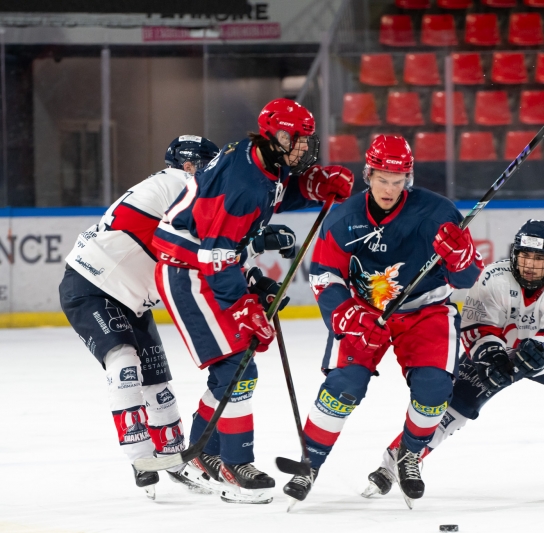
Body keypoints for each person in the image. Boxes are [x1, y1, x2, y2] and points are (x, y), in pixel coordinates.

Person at [151, 99, 354, 504]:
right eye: (296, 140)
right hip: (190, 274)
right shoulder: (241, 182)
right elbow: (214, 255)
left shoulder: (262, 160)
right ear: (275, 135)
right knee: (238, 369)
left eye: (305, 141)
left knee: (235, 366)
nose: (302, 148)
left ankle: (203, 453)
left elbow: (272, 197)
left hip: (209, 268)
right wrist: (242, 306)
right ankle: (233, 463)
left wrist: (311, 187)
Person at [283, 134, 485, 509]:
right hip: (364, 313)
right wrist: (344, 311)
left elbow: (468, 278)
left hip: (425, 311)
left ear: (408, 178)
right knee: (344, 386)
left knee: (434, 390)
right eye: (382, 179)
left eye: (398, 180)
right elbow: (325, 274)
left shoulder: (437, 212)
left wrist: (460, 259)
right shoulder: (344, 215)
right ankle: (308, 464)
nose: (389, 189)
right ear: (368, 175)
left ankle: (408, 455)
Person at [361, 220, 544, 503]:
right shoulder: (492, 277)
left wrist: (541, 354)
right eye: (524, 256)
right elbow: (477, 327)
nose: (530, 265)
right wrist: (490, 355)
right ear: (514, 254)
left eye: (539, 258)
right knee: (450, 409)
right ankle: (390, 467)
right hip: (495, 354)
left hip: (540, 356)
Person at [59, 135, 220, 499]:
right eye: (209, 167)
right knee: (124, 363)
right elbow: (207, 243)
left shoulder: (172, 186)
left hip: (131, 299)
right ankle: (139, 456)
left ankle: (175, 458)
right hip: (91, 286)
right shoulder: (178, 185)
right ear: (192, 166)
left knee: (158, 384)